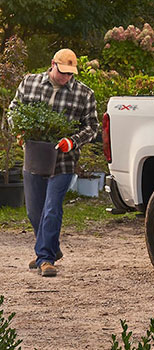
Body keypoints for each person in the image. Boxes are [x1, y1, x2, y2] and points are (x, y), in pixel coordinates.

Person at [7, 49, 98, 277]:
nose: (66, 77)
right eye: (63, 72)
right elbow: (13, 110)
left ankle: (46, 259)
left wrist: (73, 141)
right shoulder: (30, 83)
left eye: (70, 74)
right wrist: (19, 130)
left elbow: (92, 127)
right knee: (34, 211)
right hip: (35, 156)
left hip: (64, 162)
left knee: (51, 208)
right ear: (52, 65)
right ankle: (51, 249)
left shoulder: (84, 94)